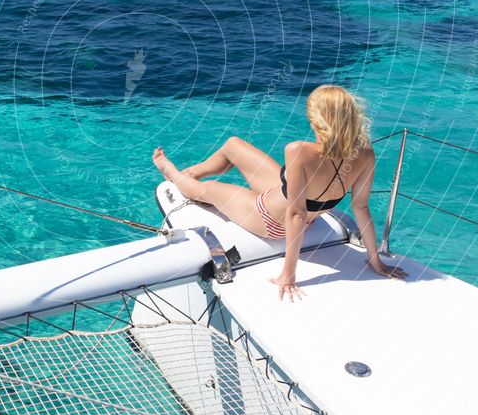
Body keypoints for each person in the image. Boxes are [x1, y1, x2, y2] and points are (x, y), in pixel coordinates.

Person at [152, 84, 407, 302]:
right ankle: (193, 171)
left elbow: (295, 214)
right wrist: (376, 263)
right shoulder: (364, 152)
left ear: (317, 120)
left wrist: (289, 274)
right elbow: (361, 208)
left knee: (203, 191)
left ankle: (173, 173)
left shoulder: (299, 150)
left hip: (269, 220)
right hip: (282, 197)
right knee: (234, 145)